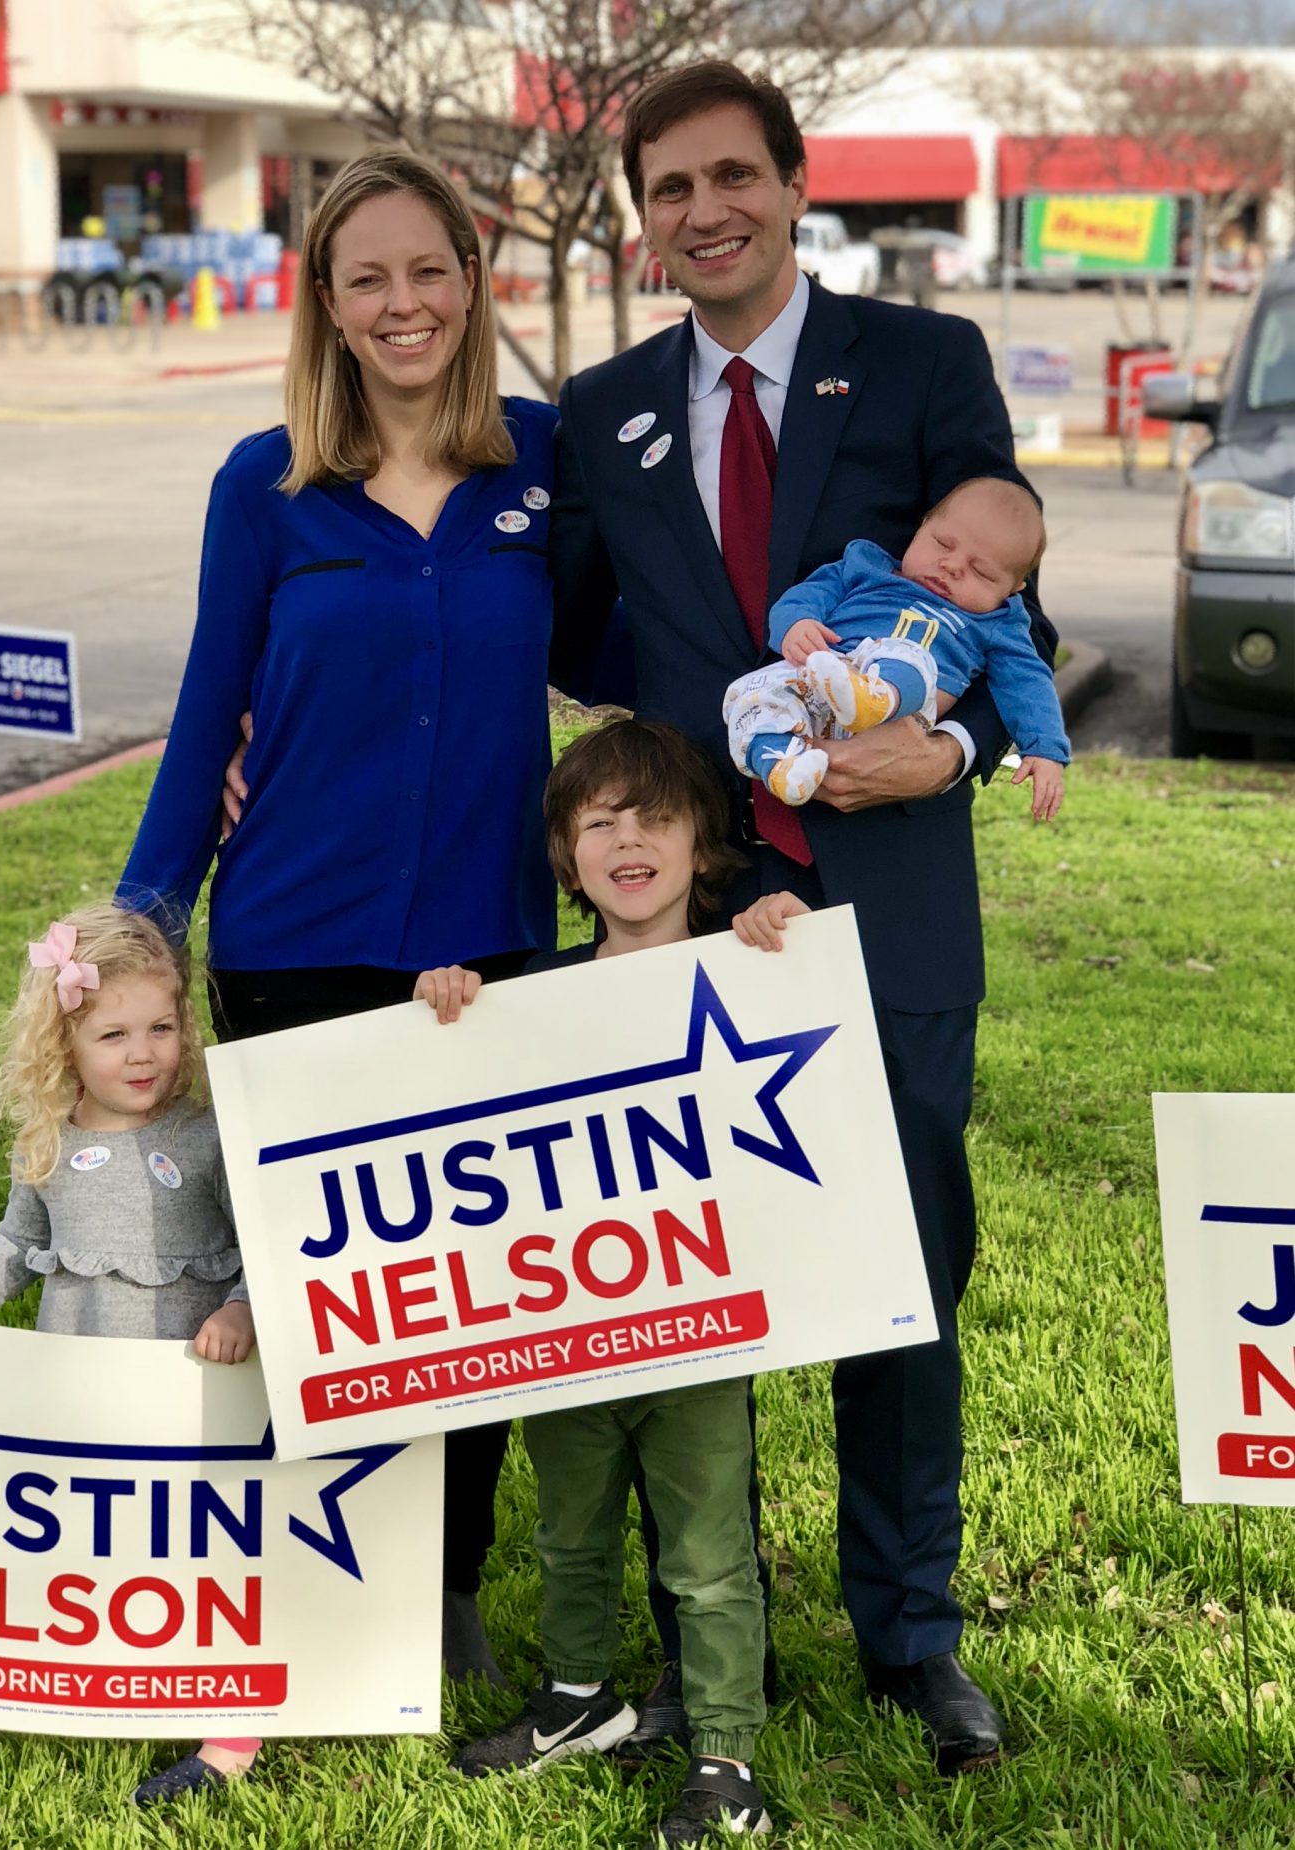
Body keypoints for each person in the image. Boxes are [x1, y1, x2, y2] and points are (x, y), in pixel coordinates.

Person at [548, 59, 1059, 1773]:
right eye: (671, 188)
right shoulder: (607, 402)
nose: (705, 210)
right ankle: (708, 1625)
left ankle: (911, 1631)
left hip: (894, 897)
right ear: (643, 218)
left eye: (731, 177)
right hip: (699, 912)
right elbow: (578, 632)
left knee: (903, 1260)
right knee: (695, 1274)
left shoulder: (925, 361)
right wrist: (699, 743)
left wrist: (959, 748)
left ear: (791, 180)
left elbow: (1006, 601)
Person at [116, 149, 563, 1686]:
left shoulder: (543, 467)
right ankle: (310, 1588)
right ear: (326, 300)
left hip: (489, 948)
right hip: (294, 942)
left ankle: (443, 1586)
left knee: (473, 1291)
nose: (400, 302)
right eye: (364, 276)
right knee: (322, 1289)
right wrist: (142, 919)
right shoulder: (268, 481)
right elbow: (204, 712)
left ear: (469, 276)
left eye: (424, 269)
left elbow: (650, 653)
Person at [417, 719, 794, 1846]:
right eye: (598, 822)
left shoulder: (755, 962)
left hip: (702, 1328)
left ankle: (726, 1754)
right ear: (565, 857)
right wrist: (448, 1003)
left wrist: (782, 930)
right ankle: (579, 1695)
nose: (627, 840)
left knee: (709, 1554)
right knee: (570, 1533)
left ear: (705, 844)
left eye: (654, 817)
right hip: (568, 1329)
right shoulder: (526, 997)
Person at [0, 904, 260, 1807]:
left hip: (197, 1397)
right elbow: (15, 1245)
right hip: (88, 1394)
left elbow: (267, 1246)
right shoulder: (48, 1146)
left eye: (163, 1029)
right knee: (108, 1544)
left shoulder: (210, 1138)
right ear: (65, 1045)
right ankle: (106, 1681)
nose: (144, 1054)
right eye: (114, 1035)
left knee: (205, 1552)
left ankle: (230, 1735)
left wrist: (243, 1308)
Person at [725, 476, 1068, 821]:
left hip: (900, 718)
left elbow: (1029, 685)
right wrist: (796, 625)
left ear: (1012, 589)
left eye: (981, 572)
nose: (952, 566)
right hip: (818, 680)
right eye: (942, 543)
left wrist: (1045, 749)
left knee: (907, 653)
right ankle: (785, 766)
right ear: (922, 527)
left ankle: (873, 696)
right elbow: (805, 597)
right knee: (752, 699)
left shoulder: (997, 624)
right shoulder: (864, 567)